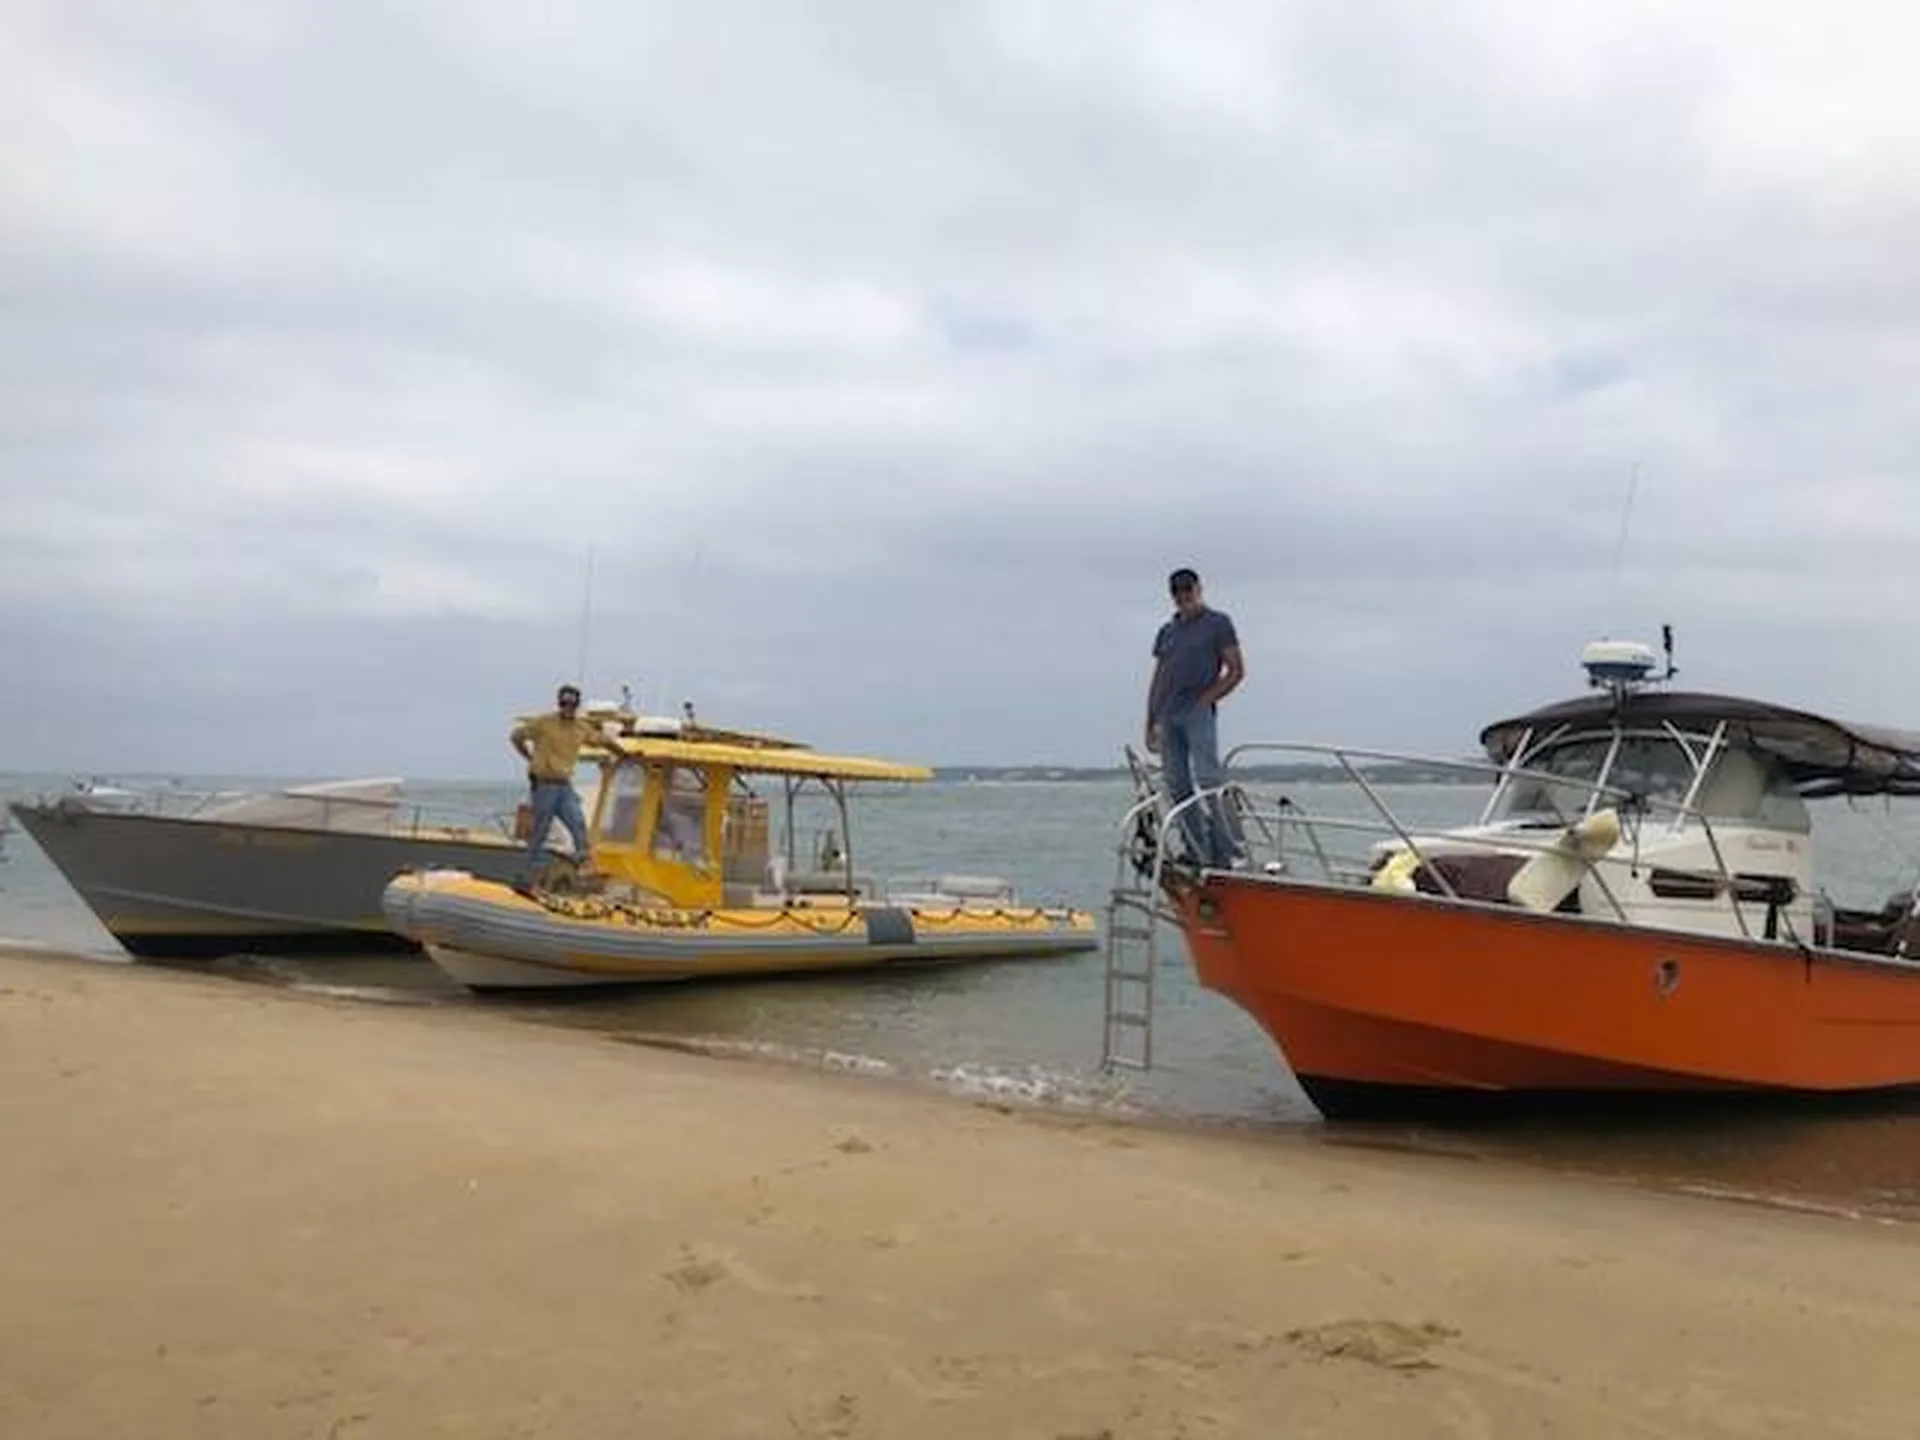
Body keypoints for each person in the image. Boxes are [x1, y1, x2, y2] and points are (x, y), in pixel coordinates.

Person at [1144, 567, 1245, 867]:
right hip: (1168, 713)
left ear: (1198, 589)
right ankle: (1196, 848)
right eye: (1178, 593)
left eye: (1189, 591)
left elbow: (1236, 670)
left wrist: (1207, 699)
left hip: (1198, 709)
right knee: (1176, 783)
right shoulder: (1167, 631)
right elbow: (1159, 677)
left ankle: (1228, 849)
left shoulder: (1218, 623)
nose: (1184, 598)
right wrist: (1150, 720)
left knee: (1208, 777)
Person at [509, 683, 602, 883]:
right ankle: (531, 872)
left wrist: (623, 753)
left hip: (564, 784)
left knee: (577, 821)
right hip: (544, 784)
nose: (568, 707)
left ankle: (584, 864)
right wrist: (529, 756)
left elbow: (600, 740)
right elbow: (516, 736)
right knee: (540, 829)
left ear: (576, 705)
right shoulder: (544, 722)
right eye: (564, 703)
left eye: (572, 704)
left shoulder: (580, 727)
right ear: (559, 703)